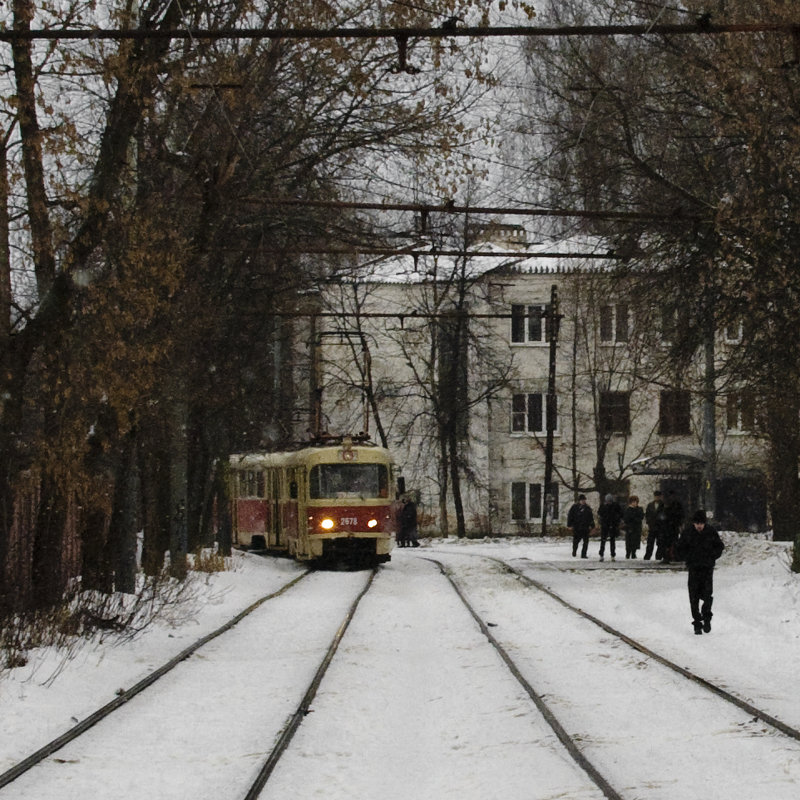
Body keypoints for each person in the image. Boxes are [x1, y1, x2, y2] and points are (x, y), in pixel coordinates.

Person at [674, 510, 724, 634]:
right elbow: (679, 548)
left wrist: (712, 556)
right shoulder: (688, 533)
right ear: (693, 523)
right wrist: (687, 557)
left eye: (701, 523)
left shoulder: (711, 532)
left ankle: (706, 618)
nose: (699, 526)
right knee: (694, 596)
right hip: (693, 568)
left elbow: (719, 546)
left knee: (707, 595)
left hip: (707, 568)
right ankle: (697, 622)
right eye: (697, 523)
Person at [567, 494, 594, 558]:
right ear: (579, 501)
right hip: (577, 527)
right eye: (582, 500)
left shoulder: (587, 508)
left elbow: (590, 517)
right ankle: (574, 551)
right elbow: (570, 516)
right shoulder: (574, 507)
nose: (583, 501)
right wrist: (570, 525)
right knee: (576, 541)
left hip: (585, 527)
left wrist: (592, 525)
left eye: (584, 500)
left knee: (586, 542)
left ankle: (583, 554)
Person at [597, 493, 623, 562]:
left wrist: (617, 521)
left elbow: (620, 514)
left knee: (612, 541)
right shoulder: (603, 506)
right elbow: (599, 514)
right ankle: (601, 555)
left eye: (610, 501)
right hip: (605, 525)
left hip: (612, 525)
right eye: (608, 501)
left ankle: (612, 555)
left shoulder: (615, 506)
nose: (609, 502)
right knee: (603, 540)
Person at [644, 490, 667, 560]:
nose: (657, 497)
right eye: (656, 496)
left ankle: (658, 556)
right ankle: (647, 556)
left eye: (658, 496)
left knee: (660, 543)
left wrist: (662, 522)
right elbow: (647, 514)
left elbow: (664, 515)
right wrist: (648, 522)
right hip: (652, 526)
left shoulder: (663, 505)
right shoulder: (650, 505)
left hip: (660, 527)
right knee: (650, 543)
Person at [662, 490, 684, 563]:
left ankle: (672, 555)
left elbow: (680, 515)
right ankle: (669, 556)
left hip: (673, 525)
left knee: (673, 541)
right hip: (669, 526)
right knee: (669, 542)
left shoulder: (676, 505)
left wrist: (679, 523)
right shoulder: (667, 504)